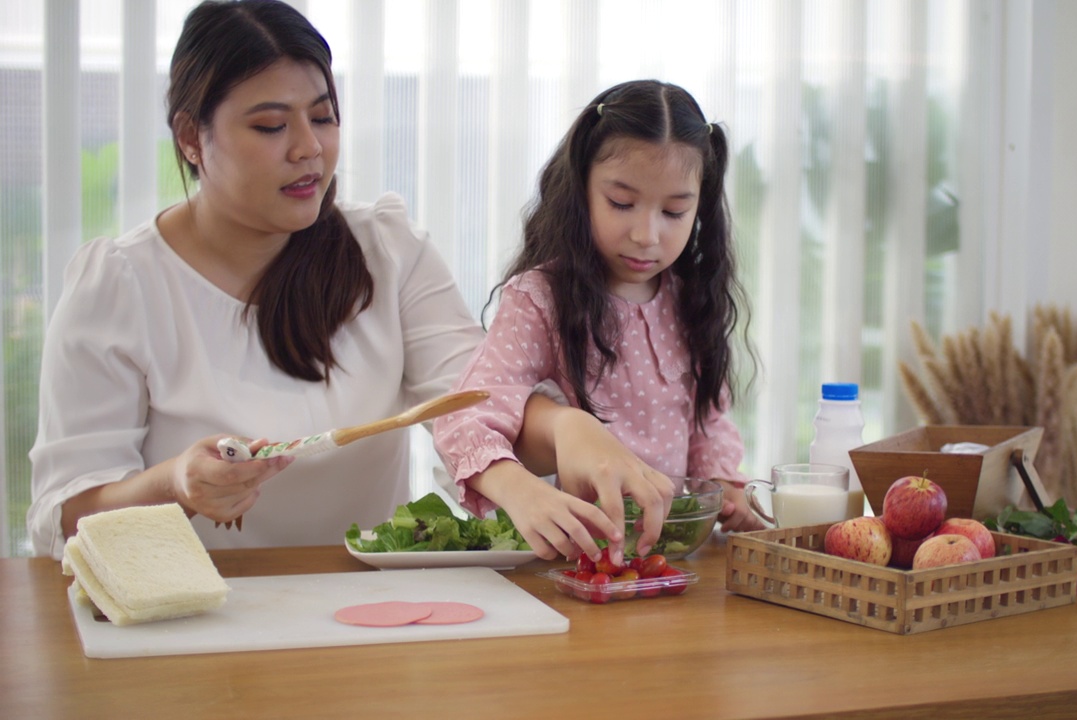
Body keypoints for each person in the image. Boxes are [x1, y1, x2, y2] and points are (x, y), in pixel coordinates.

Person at [26, 0, 648, 560]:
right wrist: (176, 486)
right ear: (192, 138)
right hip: (191, 629)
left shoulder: (386, 250)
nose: (309, 150)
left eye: (323, 118)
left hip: (369, 615)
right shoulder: (120, 284)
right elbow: (65, 519)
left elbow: (478, 401)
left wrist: (572, 427)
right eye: (271, 127)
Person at [433, 79, 766, 563]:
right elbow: (464, 418)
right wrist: (521, 491)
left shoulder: (693, 300)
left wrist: (726, 489)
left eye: (675, 211)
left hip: (667, 561)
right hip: (573, 558)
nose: (646, 234)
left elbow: (707, 427)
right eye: (622, 203)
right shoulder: (540, 298)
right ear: (580, 188)